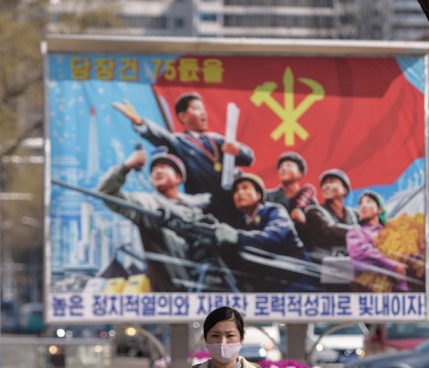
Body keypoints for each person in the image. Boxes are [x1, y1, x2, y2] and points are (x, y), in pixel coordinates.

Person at [97, 148, 228, 292]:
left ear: (178, 177)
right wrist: (126, 166)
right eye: (153, 170)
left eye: (164, 167)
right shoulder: (146, 204)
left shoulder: (198, 206)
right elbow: (106, 192)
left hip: (210, 287)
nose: (157, 171)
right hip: (170, 292)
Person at [114, 92, 254, 224]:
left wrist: (237, 150)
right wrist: (139, 122)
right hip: (205, 209)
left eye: (203, 109)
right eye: (197, 108)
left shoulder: (217, 140)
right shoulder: (179, 143)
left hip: (233, 206)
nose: (203, 112)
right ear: (183, 116)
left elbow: (248, 159)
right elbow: (160, 136)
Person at [213, 173, 313, 291]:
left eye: (245, 188)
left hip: (298, 275)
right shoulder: (242, 222)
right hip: (272, 278)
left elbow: (273, 237)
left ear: (259, 194)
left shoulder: (275, 210)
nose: (239, 193)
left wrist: (237, 237)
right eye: (235, 191)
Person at [347, 190, 413, 293]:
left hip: (399, 291)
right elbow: (362, 254)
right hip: (369, 291)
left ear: (379, 209)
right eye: (361, 204)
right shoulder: (356, 232)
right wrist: (393, 266)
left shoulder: (392, 232)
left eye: (368, 202)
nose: (363, 206)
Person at [301, 168, 359, 255]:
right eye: (324, 184)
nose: (326, 186)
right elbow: (330, 230)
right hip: (321, 262)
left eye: (332, 182)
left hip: (348, 261)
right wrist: (362, 232)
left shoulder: (353, 215)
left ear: (345, 190)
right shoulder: (314, 211)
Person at [266, 151, 318, 229]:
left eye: (289, 165)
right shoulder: (267, 197)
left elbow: (317, 231)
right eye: (281, 167)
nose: (283, 168)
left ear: (300, 174)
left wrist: (304, 222)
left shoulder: (311, 202)